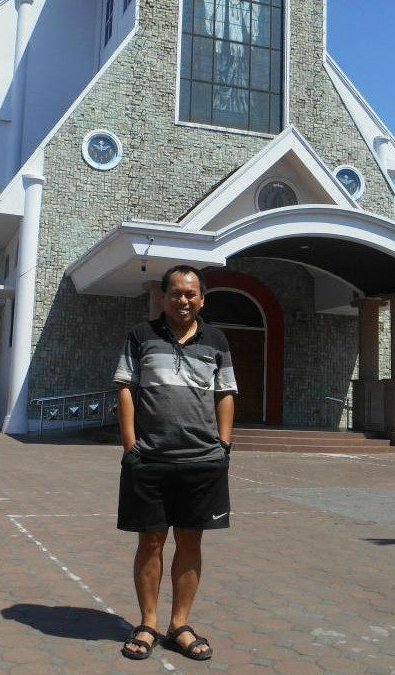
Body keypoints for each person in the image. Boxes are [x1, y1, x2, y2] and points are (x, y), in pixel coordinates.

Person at [114, 265, 237, 661]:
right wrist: (131, 445)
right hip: (149, 460)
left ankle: (178, 624)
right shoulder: (141, 335)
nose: (183, 300)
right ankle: (148, 623)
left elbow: (225, 392)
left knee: (190, 542)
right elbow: (126, 388)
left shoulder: (216, 340)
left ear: (202, 298)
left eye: (191, 294)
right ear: (163, 296)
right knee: (150, 542)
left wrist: (224, 445)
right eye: (176, 293)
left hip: (202, 461)